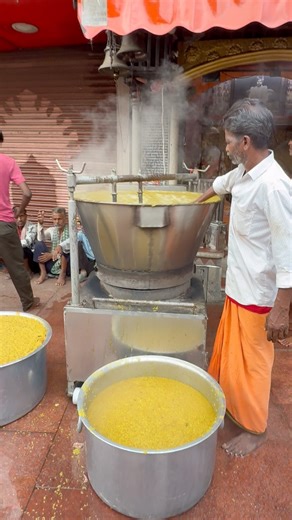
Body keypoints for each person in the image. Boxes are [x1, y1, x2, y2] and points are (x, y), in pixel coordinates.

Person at [196, 98, 292, 457]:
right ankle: (231, 406)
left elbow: (289, 254)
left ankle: (255, 429)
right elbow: (220, 185)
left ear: (246, 143)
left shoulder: (274, 186)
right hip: (237, 288)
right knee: (232, 360)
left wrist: (281, 310)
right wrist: (187, 207)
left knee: (253, 364)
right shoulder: (244, 173)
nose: (226, 145)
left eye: (229, 140)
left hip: (258, 297)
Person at [0, 131, 40, 311]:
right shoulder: (8, 163)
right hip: (4, 224)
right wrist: (20, 211)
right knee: (16, 266)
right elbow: (27, 193)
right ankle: (28, 302)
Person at [34, 207, 70, 286]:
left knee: (65, 248)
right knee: (39, 243)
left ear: (65, 219)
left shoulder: (71, 231)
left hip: (67, 265)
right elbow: (40, 238)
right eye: (54, 219)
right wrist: (40, 224)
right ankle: (43, 273)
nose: (57, 222)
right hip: (53, 263)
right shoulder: (52, 230)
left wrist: (53, 253)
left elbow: (69, 243)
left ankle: (62, 274)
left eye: (59, 219)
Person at [13, 206, 39, 276]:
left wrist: (12, 245)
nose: (19, 219)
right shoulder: (12, 227)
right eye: (17, 217)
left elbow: (27, 242)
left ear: (26, 216)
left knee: (22, 248)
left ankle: (28, 271)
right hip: (17, 256)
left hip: (32, 259)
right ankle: (11, 270)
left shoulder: (32, 226)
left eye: (21, 216)